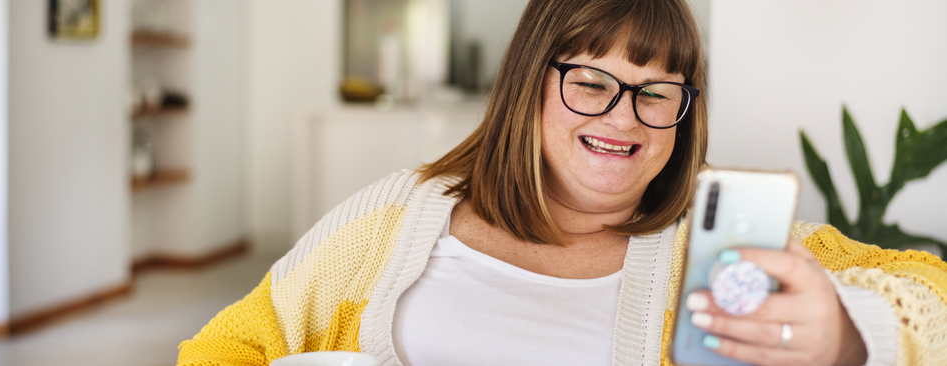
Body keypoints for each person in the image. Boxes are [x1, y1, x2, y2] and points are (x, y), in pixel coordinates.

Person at [177, 0, 947, 365]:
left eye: (656, 90)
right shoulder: (397, 216)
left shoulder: (715, 245)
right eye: (591, 80)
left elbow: (933, 294)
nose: (624, 116)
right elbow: (225, 346)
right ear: (528, 84)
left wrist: (849, 340)